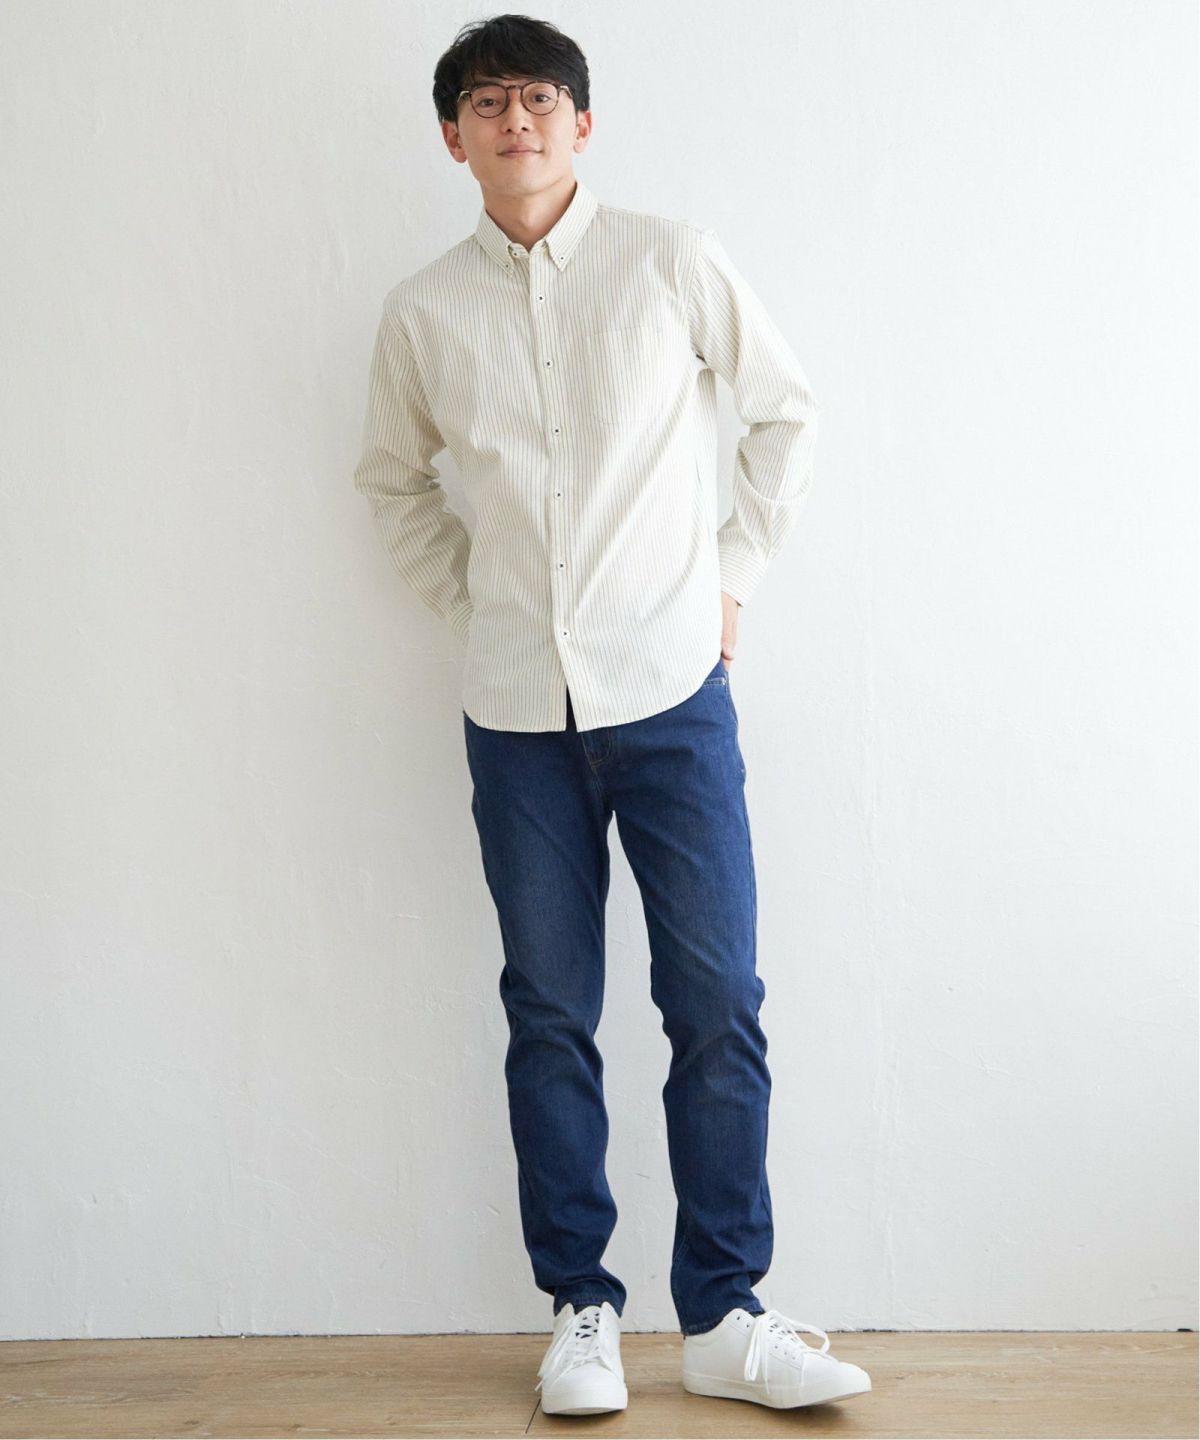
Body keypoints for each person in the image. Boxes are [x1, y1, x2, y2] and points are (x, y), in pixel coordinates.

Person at [352, 12, 871, 1417]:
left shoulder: (670, 260)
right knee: (547, 1012)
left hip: (672, 693)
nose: (515, 119)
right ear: (452, 136)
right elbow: (392, 482)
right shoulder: (423, 313)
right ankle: (581, 1307)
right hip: (515, 712)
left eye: (540, 97)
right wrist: (477, 604)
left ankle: (727, 1315)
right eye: (486, 101)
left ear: (583, 124)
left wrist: (733, 578)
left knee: (716, 1005)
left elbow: (785, 413)